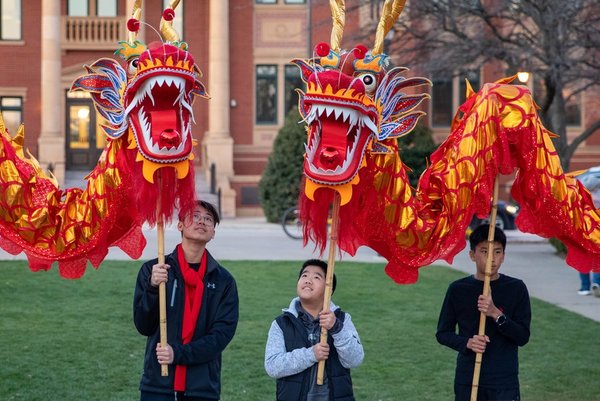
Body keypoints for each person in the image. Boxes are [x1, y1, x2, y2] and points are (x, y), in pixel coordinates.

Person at [133, 200, 239, 401]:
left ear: (213, 233)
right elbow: (143, 326)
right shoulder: (155, 270)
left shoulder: (223, 281)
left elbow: (220, 336)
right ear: (180, 225)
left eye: (208, 219)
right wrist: (153, 288)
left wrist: (178, 353)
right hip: (158, 386)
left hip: (201, 388)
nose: (202, 222)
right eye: (195, 216)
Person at [436, 224, 531, 401]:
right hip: (468, 378)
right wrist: (468, 343)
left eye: (497, 252)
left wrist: (496, 314)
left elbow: (523, 337)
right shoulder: (458, 289)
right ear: (472, 255)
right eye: (484, 251)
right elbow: (442, 333)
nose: (491, 259)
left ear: (503, 256)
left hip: (503, 381)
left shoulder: (516, 288)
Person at [264, 259, 364, 401]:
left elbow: (355, 360)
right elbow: (272, 366)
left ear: (329, 289)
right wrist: (310, 355)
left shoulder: (342, 320)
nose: (308, 280)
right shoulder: (282, 323)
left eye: (316, 277)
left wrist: (336, 329)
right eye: (304, 275)